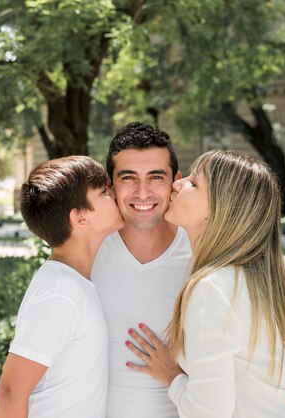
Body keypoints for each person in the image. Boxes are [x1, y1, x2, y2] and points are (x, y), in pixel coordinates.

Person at [125, 150, 285, 416]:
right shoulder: (251, 279)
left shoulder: (213, 288)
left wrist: (171, 375)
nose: (177, 183)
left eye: (194, 184)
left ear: (220, 211)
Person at [0, 156, 124, 417]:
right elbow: (10, 392)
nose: (115, 194)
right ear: (80, 216)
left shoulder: (75, 282)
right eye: (103, 192)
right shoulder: (61, 293)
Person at [92, 122, 189, 417]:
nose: (143, 192)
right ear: (109, 185)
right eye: (128, 177)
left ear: (176, 182)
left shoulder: (201, 253)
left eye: (156, 177)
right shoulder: (87, 251)